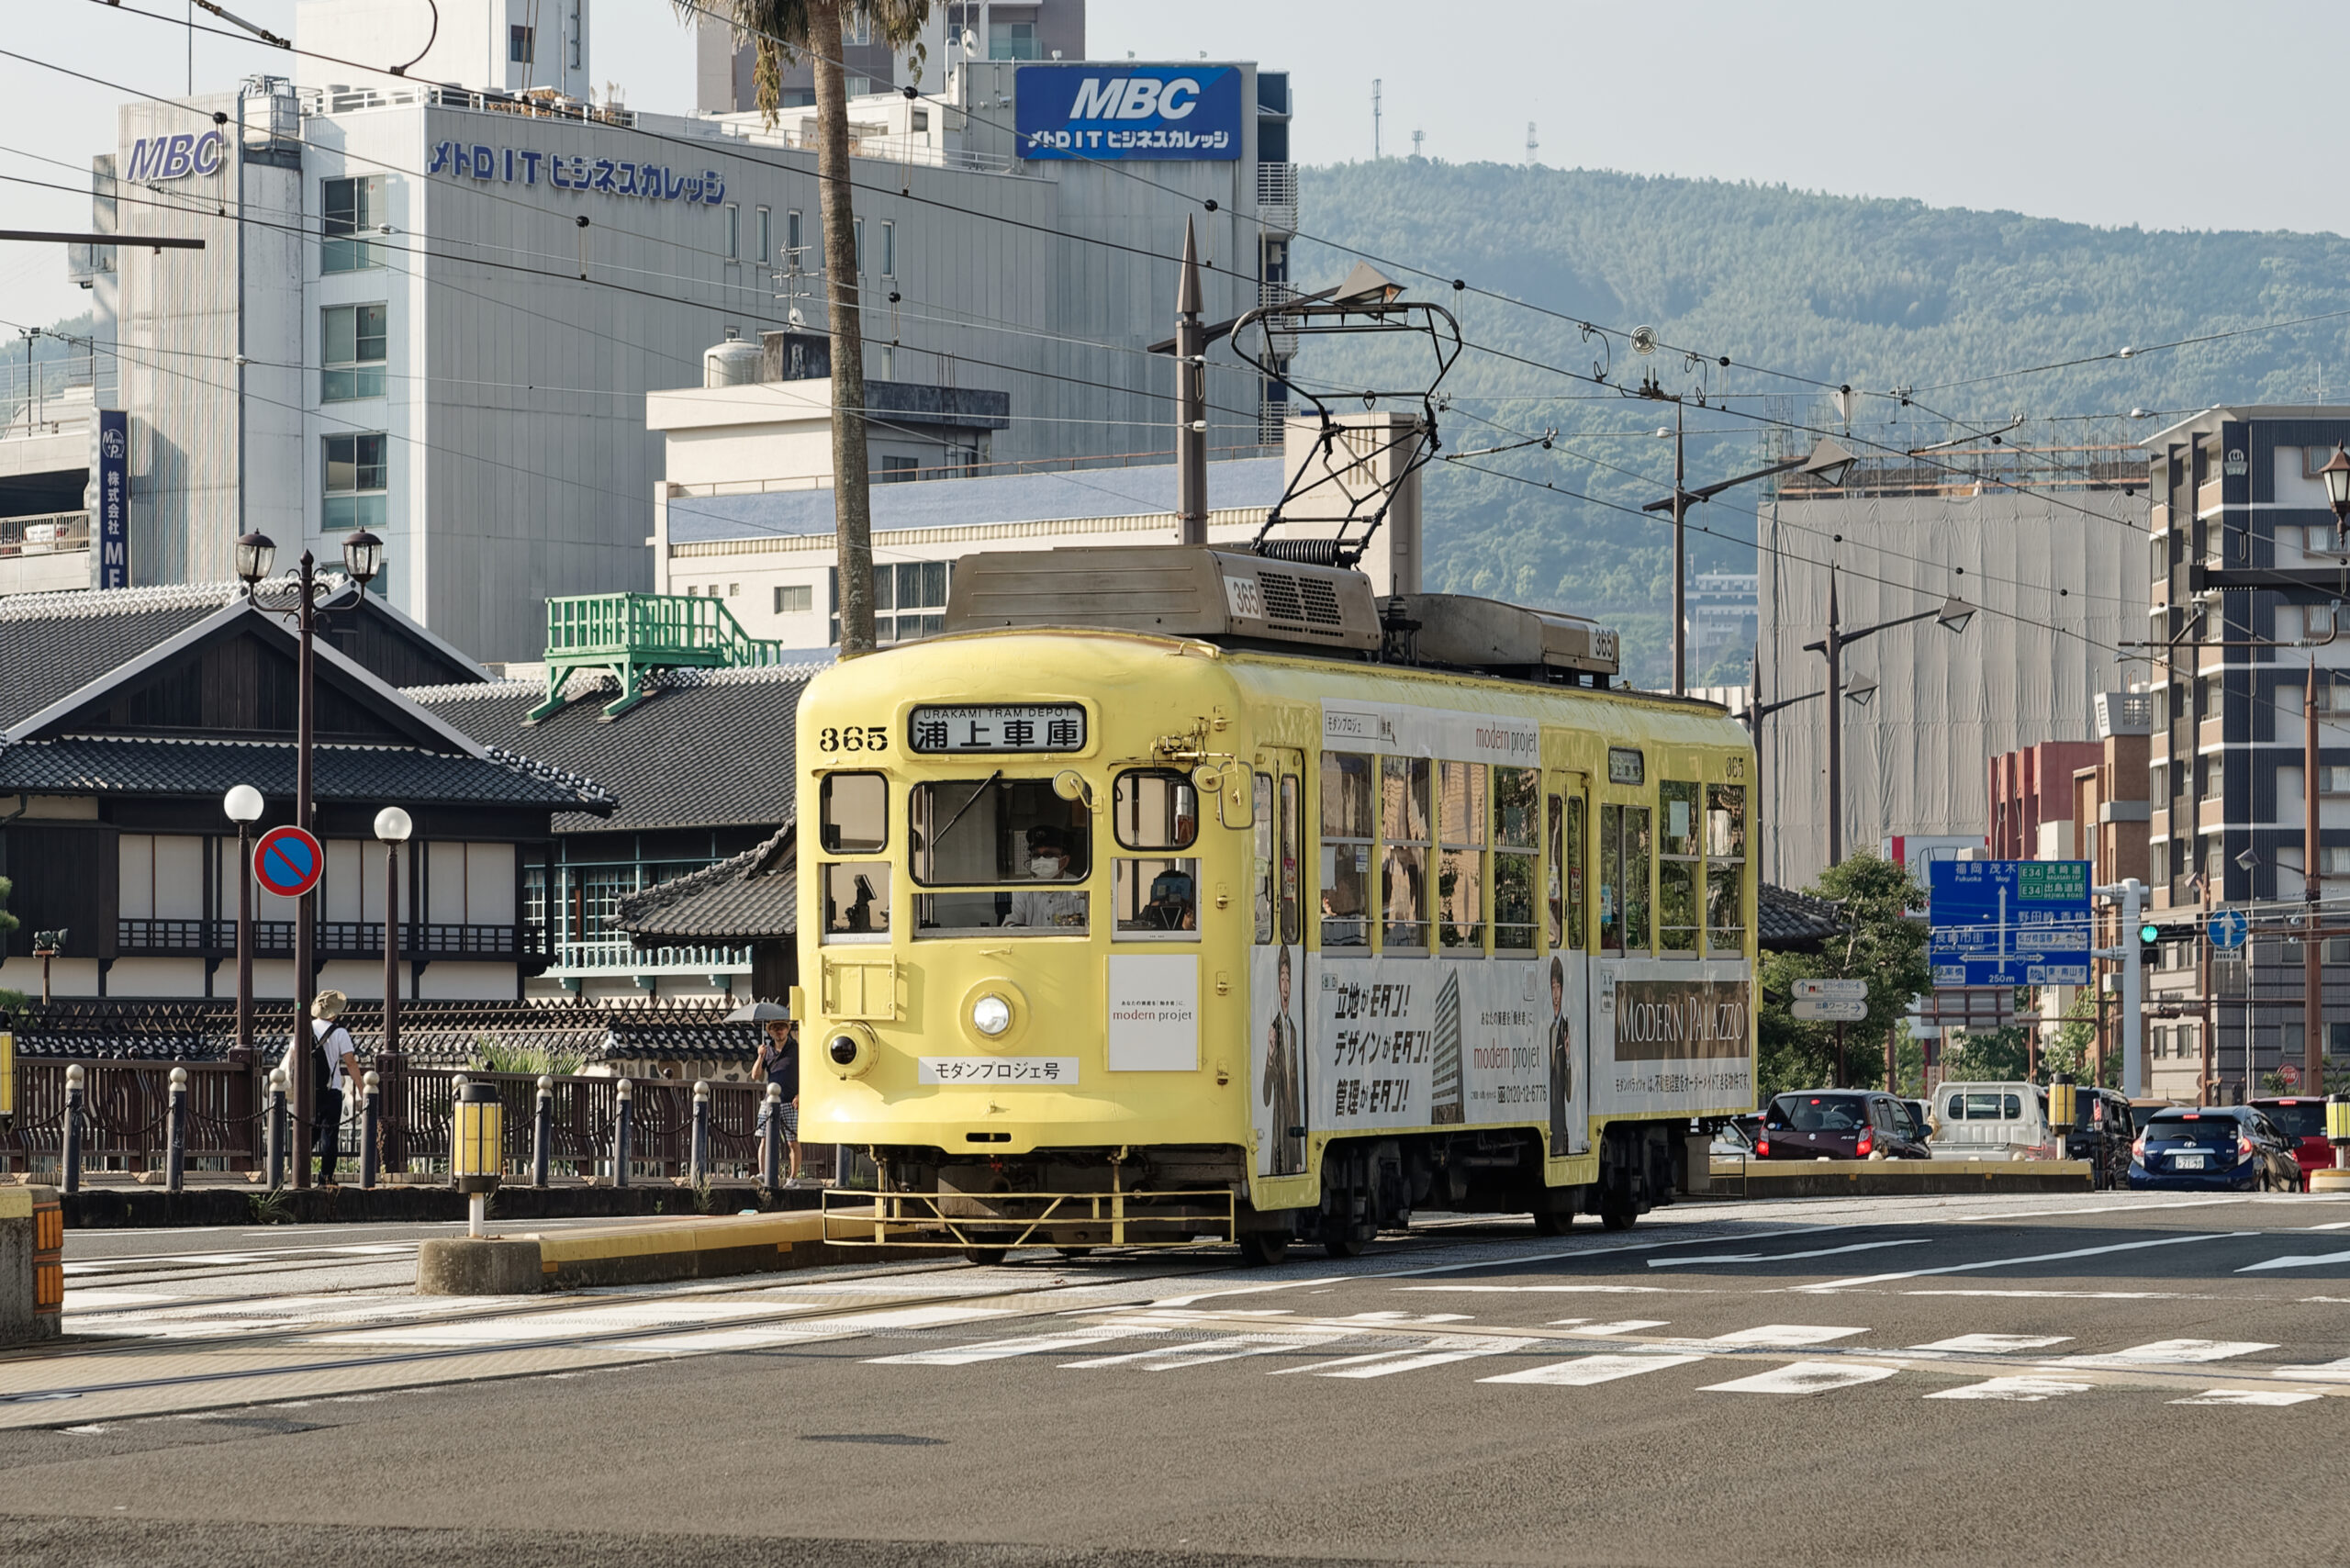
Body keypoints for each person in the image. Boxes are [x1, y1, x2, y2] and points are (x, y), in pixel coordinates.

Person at [283, 990, 359, 1186]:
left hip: (306, 1093)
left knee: (308, 1133)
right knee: (329, 1136)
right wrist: (361, 1087)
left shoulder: (304, 1029)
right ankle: (326, 1178)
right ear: (335, 1012)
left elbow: (292, 1058)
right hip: (331, 1090)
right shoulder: (339, 1033)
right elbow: (350, 1062)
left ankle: (299, 1173)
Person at [1261, 944, 1304, 1175]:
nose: (1285, 985)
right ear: (1277, 983)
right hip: (1279, 1133)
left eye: (1288, 978)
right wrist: (1269, 1056)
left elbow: (1297, 1096)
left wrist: (1299, 1153)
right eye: (1282, 978)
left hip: (1293, 1135)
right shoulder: (1274, 1029)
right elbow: (1266, 1096)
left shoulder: (1294, 1031)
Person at [1003, 827, 1085, 928]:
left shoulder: (1079, 887)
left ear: (1065, 861)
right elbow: (1010, 923)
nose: (1041, 860)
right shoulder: (1023, 889)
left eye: (1048, 855)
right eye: (1036, 855)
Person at [754, 1015, 802, 1182]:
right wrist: (760, 1056)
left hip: (790, 1101)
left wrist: (800, 1094)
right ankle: (763, 1173)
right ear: (771, 1032)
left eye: (782, 1027)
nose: (779, 1030)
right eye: (775, 1028)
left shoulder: (797, 1049)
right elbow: (755, 1075)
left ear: (788, 1029)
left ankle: (793, 1178)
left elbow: (807, 1074)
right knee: (764, 1138)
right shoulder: (767, 1050)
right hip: (770, 1101)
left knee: (792, 1141)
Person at [1546, 957, 1575, 1157]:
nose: (1555, 993)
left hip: (1560, 1118)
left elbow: (1569, 1093)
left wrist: (1567, 1057)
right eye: (1553, 987)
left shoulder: (1565, 1027)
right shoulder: (1548, 1029)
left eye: (1558, 987)